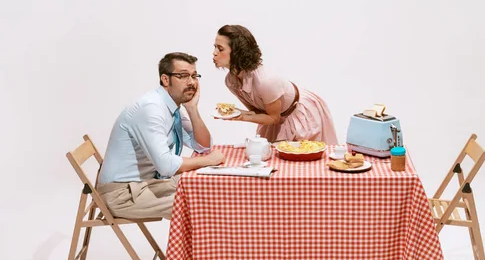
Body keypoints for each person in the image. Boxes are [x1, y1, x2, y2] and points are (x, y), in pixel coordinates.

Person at [97, 52, 225, 219]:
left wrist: (192, 109)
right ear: (166, 79)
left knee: (210, 186)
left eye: (194, 76)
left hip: (147, 183)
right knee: (204, 205)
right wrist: (209, 161)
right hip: (123, 194)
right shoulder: (152, 109)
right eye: (183, 76)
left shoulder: (171, 106)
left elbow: (203, 145)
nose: (192, 82)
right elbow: (166, 165)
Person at [212, 24, 338, 144]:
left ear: (237, 52)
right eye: (215, 47)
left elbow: (273, 118)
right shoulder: (231, 82)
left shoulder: (266, 81)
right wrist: (235, 113)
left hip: (299, 113)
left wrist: (240, 117)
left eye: (220, 48)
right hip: (276, 117)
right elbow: (258, 112)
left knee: (305, 158)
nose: (214, 53)